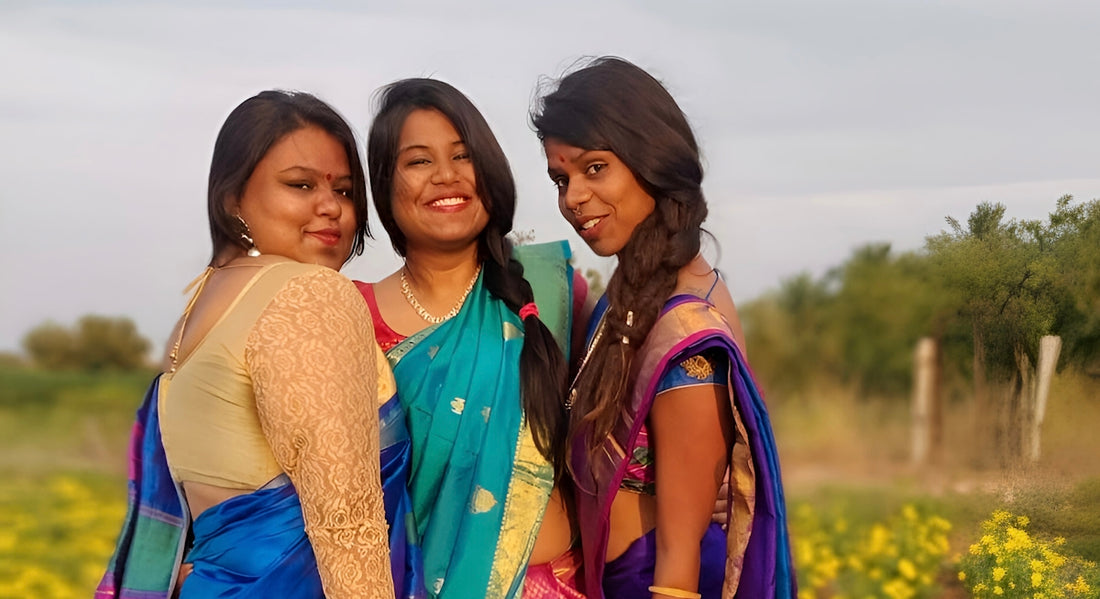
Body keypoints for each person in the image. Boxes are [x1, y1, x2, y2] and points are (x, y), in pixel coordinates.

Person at [97, 90, 398, 598]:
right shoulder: (308, 294)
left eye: (344, 191)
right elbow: (347, 525)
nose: (330, 207)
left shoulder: (202, 303)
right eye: (300, 185)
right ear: (232, 197)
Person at [532, 57, 796, 599]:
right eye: (562, 179)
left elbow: (680, 561)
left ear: (650, 158)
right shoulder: (631, 294)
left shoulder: (686, 332)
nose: (573, 198)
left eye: (594, 168)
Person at [359, 78, 584, 598]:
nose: (446, 176)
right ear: (385, 185)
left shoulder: (551, 289)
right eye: (418, 161)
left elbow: (612, 432)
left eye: (463, 155)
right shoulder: (352, 318)